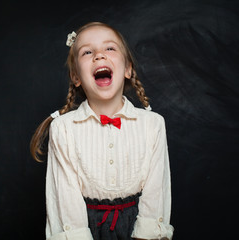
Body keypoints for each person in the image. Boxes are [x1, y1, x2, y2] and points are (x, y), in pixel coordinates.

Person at [30, 22, 174, 240]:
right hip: (84, 229)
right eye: (87, 52)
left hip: (138, 228)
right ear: (76, 76)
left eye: (109, 48)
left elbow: (157, 193)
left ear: (127, 69)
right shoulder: (63, 129)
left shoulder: (152, 124)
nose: (99, 55)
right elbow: (65, 201)